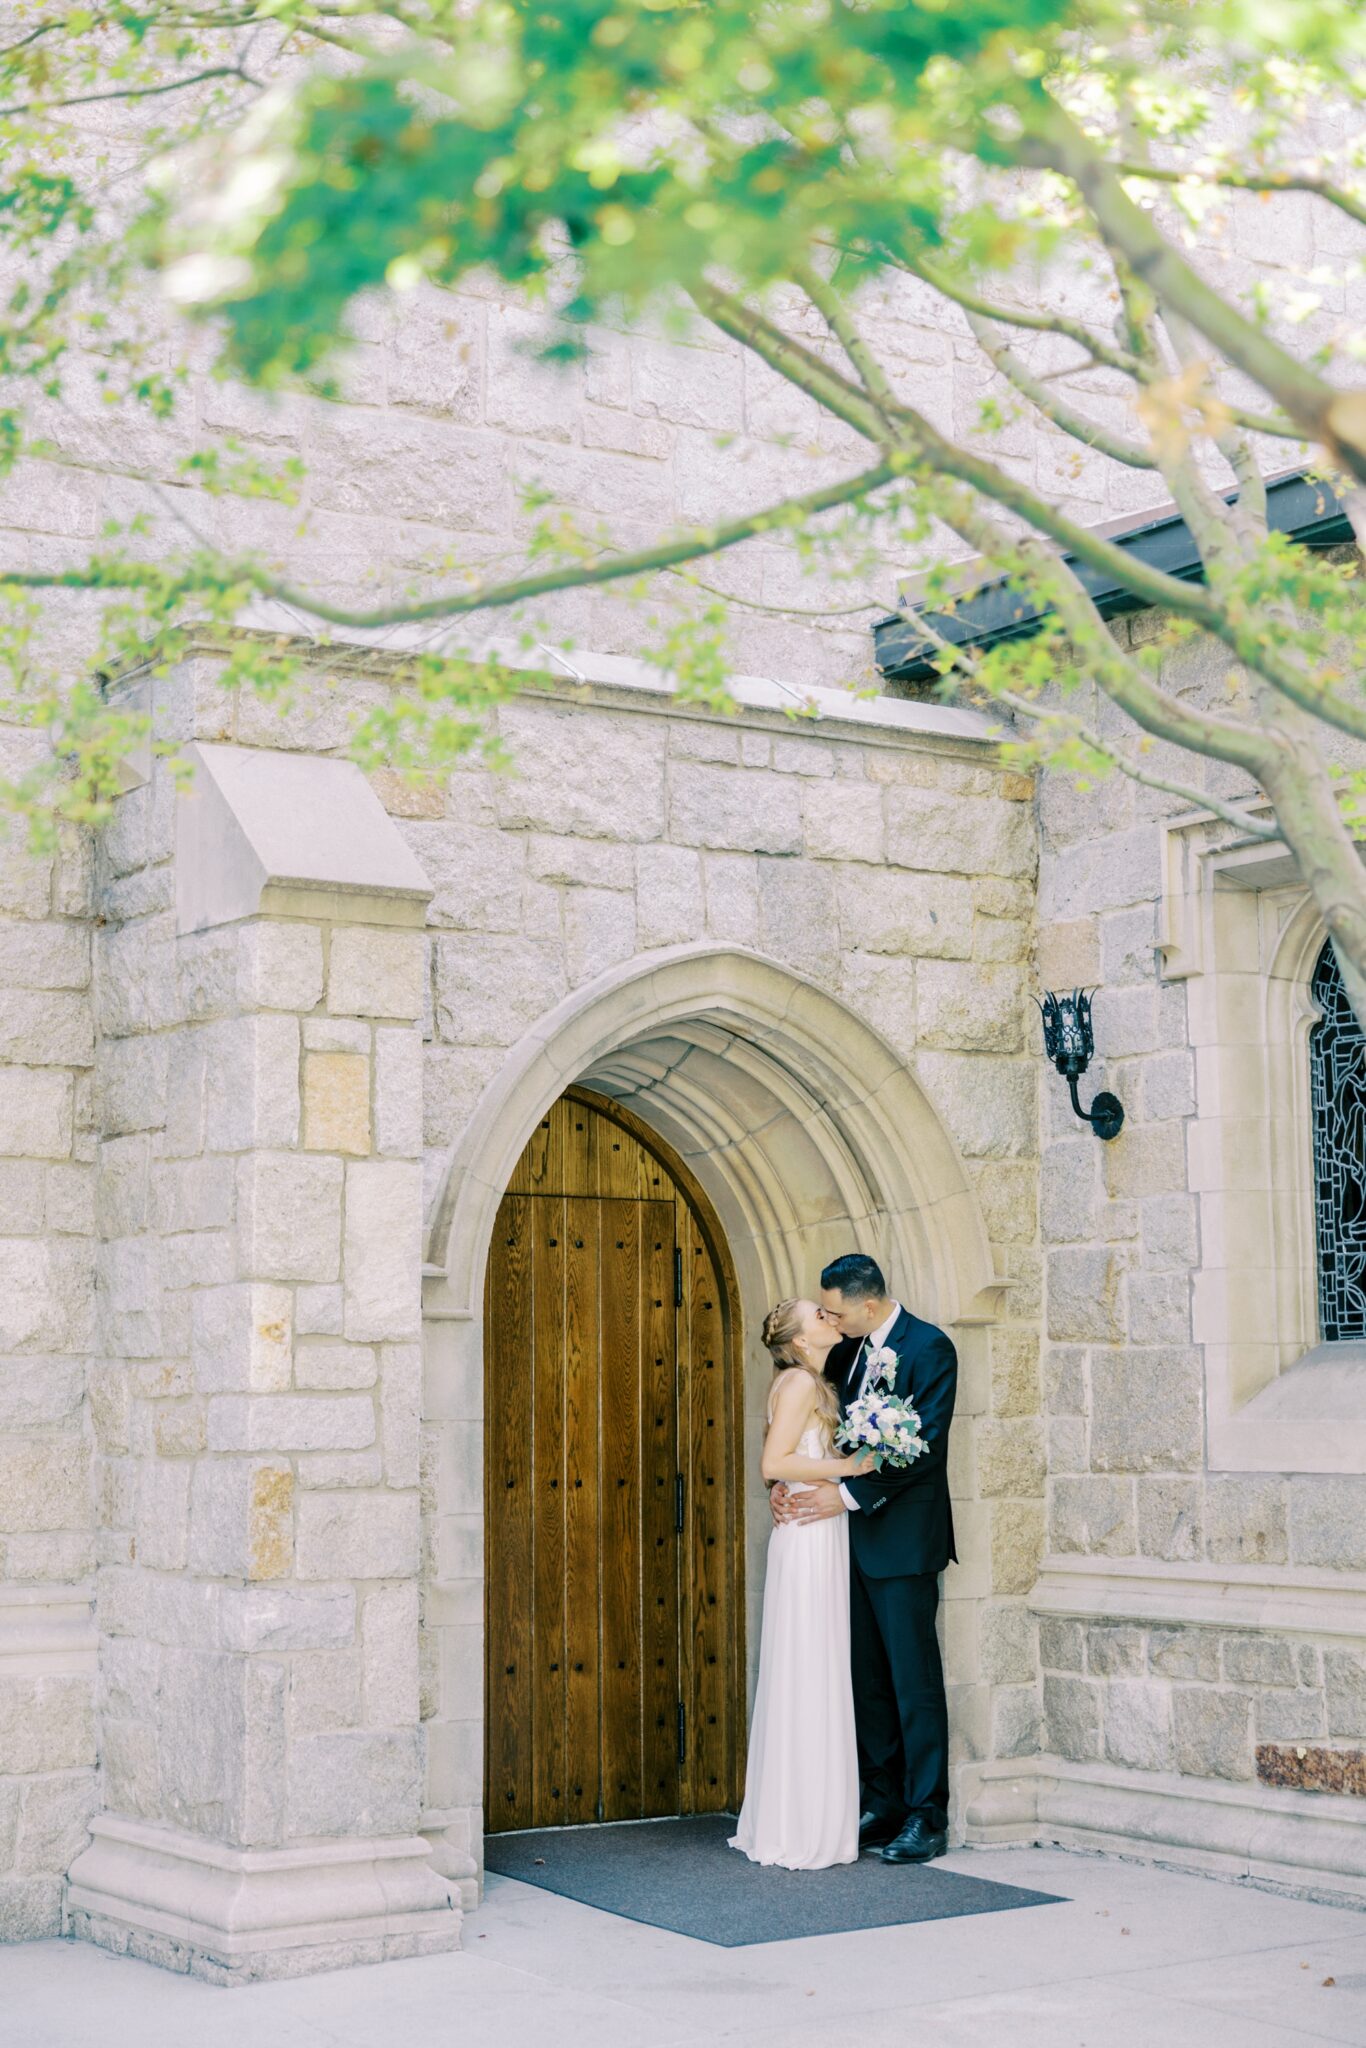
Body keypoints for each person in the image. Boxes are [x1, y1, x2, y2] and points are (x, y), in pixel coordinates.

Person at [771, 1253, 958, 1865]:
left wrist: (844, 1494)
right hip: (843, 1545)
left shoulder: (930, 1348)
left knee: (913, 1683)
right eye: (822, 1312)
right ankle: (883, 1801)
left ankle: (927, 1816)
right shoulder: (845, 1354)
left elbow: (922, 1448)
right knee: (867, 1682)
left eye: (836, 1310)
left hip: (902, 1542)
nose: (829, 1318)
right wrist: (789, 1485)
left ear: (869, 1305)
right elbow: (825, 1434)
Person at [729, 1298, 874, 1871]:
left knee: (818, 1663)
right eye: (818, 1314)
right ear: (798, 1336)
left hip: (820, 1530)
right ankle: (799, 1823)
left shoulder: (813, 1380)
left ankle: (813, 1816)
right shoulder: (796, 1382)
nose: (828, 1318)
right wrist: (851, 1468)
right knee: (807, 1663)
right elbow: (774, 1462)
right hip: (809, 1538)